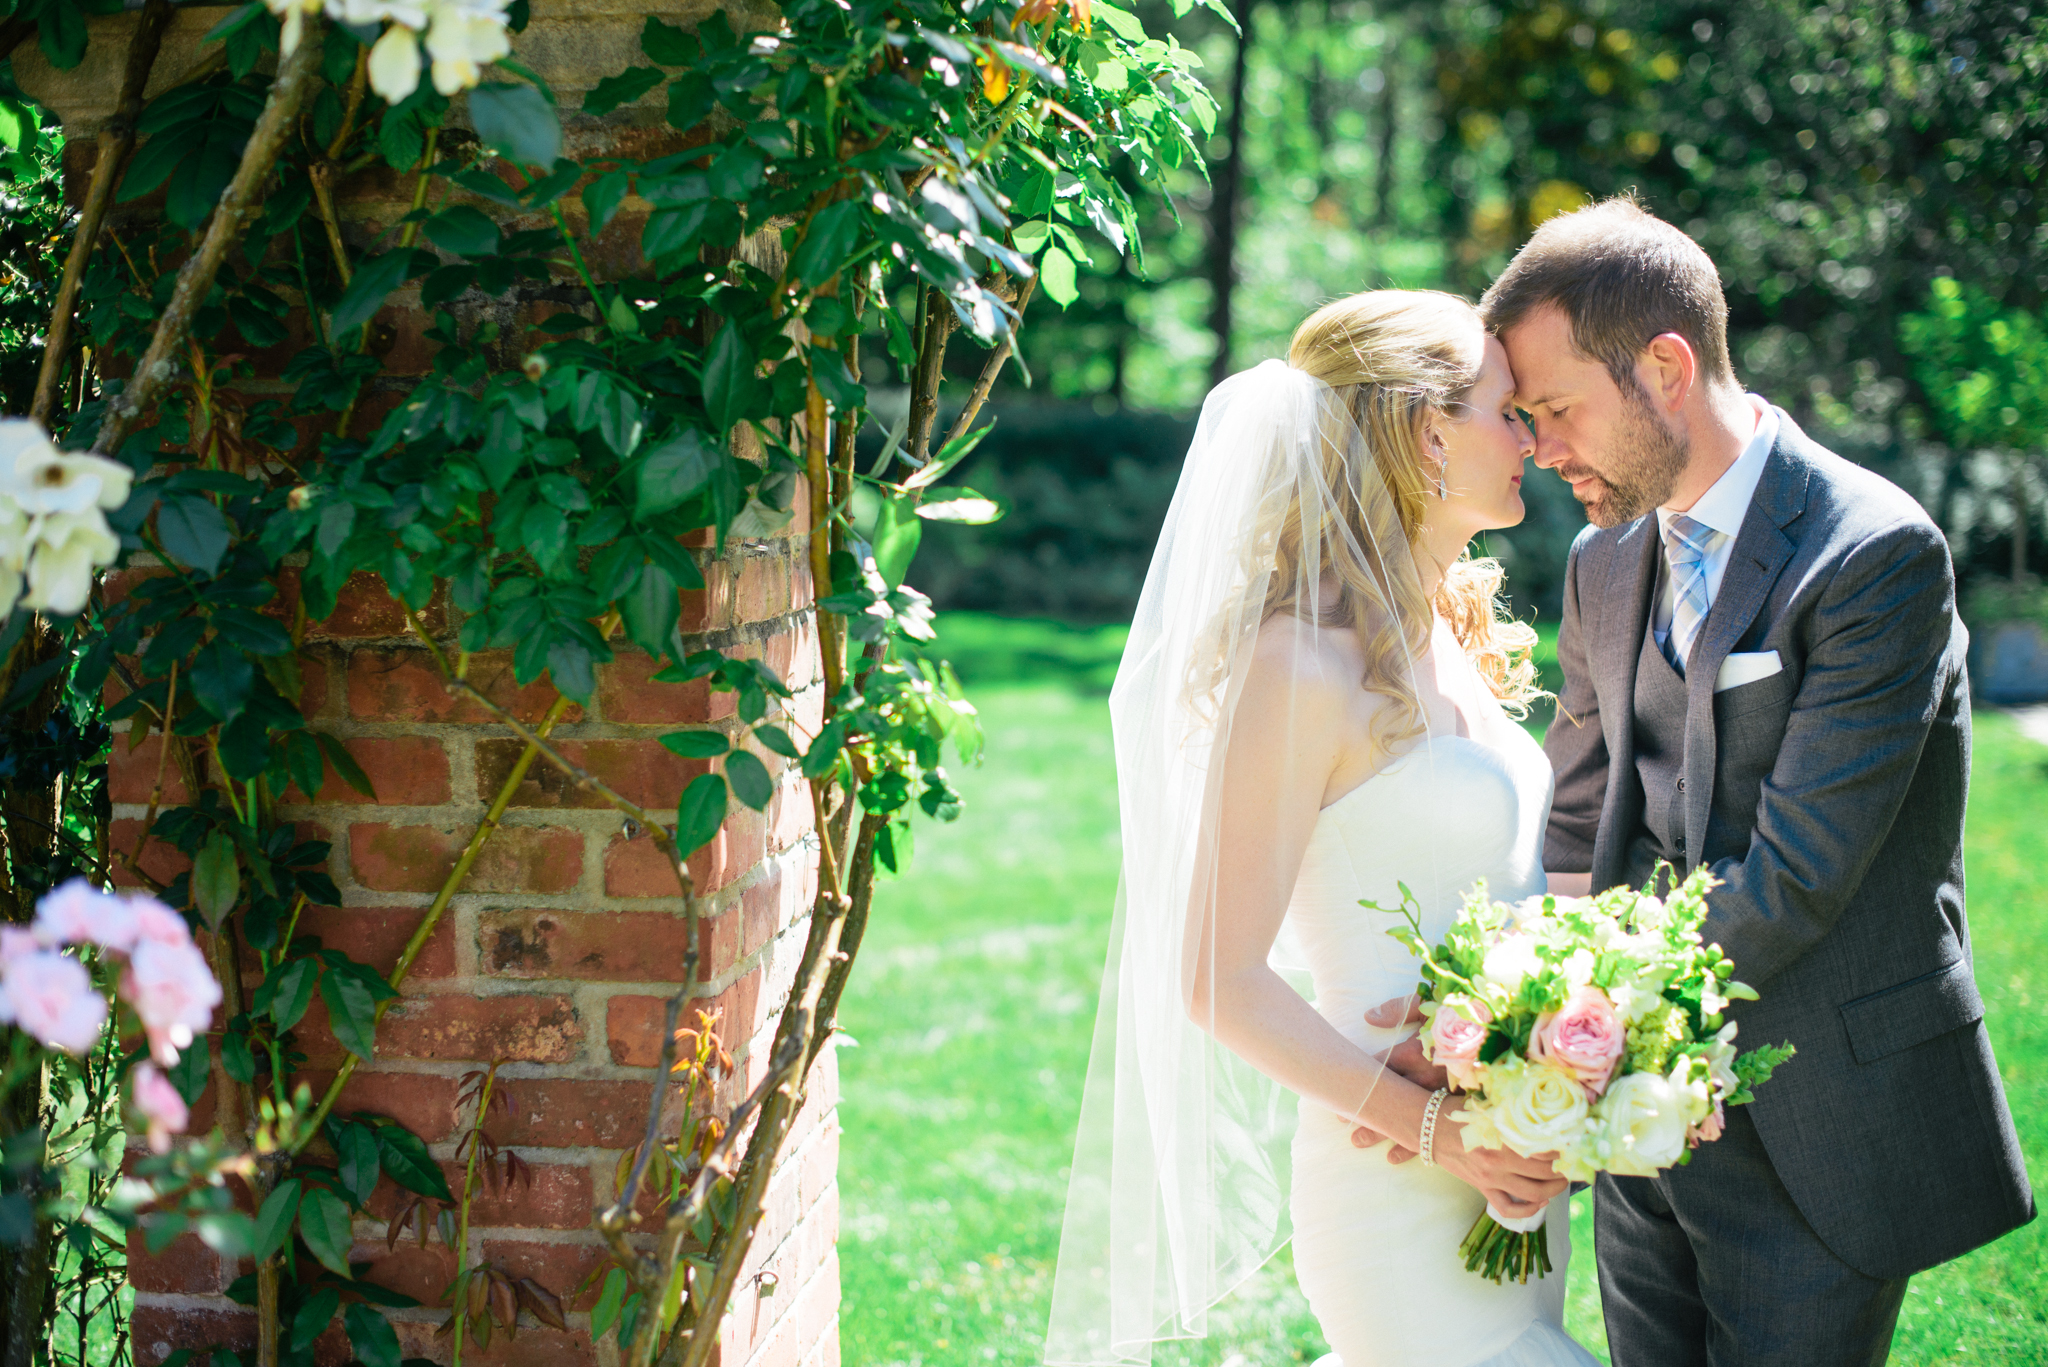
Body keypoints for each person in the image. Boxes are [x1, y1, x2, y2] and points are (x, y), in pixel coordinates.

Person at [1361, 196, 2034, 1366]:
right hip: (1632, 1125)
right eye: (1519, 415)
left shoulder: (1873, 552)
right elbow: (1577, 811)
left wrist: (1546, 1025)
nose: (1539, 445)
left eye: (1558, 408)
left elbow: (1795, 876)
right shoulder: (1602, 557)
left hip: (1822, 1121)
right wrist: (1503, 1022)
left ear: (1665, 367)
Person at [1044, 290, 1599, 1367]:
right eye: (1501, 410)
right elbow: (1214, 975)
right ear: (1423, 432)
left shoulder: (1446, 632)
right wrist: (1438, 1128)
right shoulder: (1296, 664)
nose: (1526, 436)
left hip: (1505, 1149)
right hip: (1393, 1168)